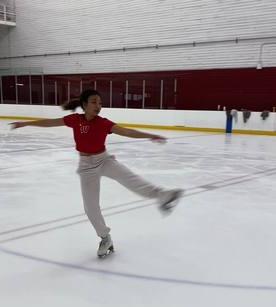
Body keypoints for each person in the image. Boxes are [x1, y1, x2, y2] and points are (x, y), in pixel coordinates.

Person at [10, 89, 183, 258]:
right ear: (84, 105)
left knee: (131, 180)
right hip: (86, 167)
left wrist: (149, 135)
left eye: (100, 103)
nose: (98, 106)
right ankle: (105, 238)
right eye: (94, 102)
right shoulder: (74, 120)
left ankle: (162, 195)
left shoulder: (103, 123)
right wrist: (25, 123)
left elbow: (125, 131)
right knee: (91, 207)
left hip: (104, 160)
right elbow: (50, 122)